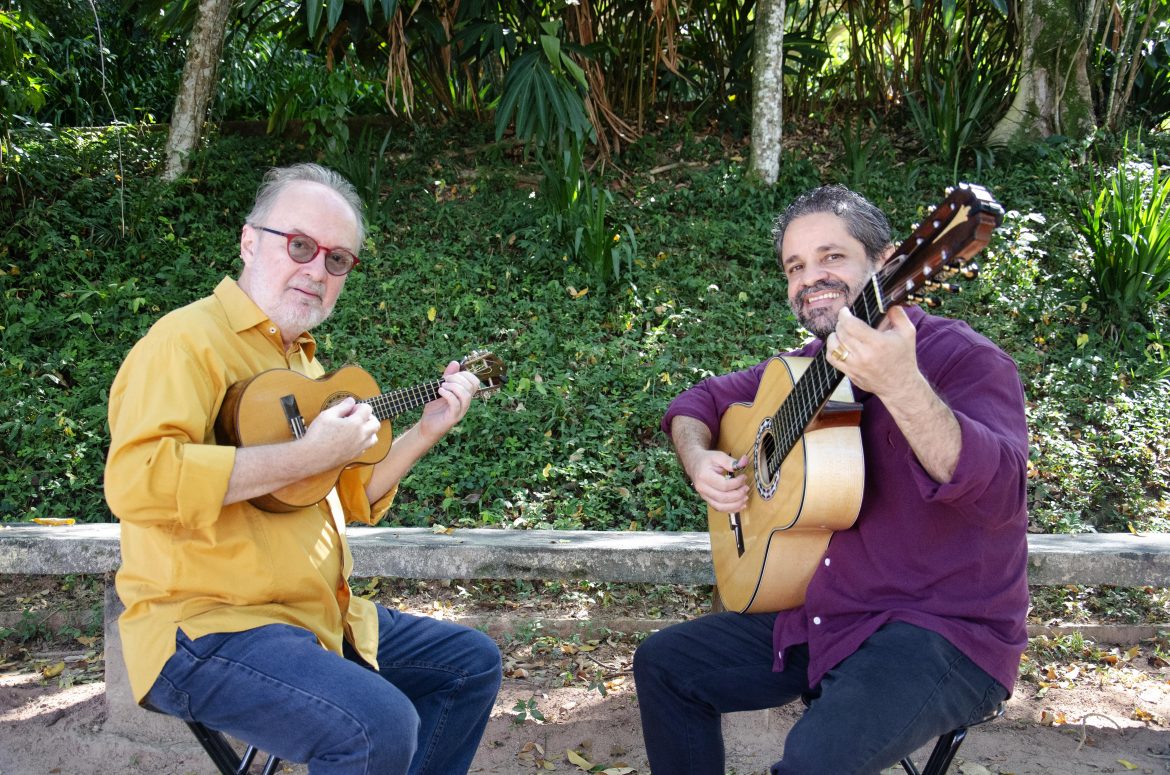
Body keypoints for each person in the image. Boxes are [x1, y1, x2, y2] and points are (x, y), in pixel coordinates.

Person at [104, 163, 502, 775]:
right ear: (248, 240)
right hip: (208, 628)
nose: (317, 269)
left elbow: (352, 495)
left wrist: (426, 430)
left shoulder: (306, 372)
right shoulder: (184, 342)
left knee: (469, 663)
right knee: (378, 725)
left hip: (310, 620)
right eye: (299, 245)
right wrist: (305, 454)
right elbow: (138, 480)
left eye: (337, 260)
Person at [633, 184, 1029, 774]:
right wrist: (698, 460)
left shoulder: (965, 359)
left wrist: (901, 385)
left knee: (813, 761)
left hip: (943, 631)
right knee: (665, 664)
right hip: (832, 612)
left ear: (887, 261)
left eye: (831, 257)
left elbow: (1000, 494)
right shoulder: (806, 371)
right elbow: (700, 401)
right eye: (796, 266)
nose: (810, 277)